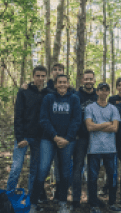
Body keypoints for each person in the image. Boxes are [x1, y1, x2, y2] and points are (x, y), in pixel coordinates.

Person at [31, 74, 82, 213]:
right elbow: (43, 119)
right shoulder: (49, 98)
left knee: (65, 172)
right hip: (48, 139)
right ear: (55, 84)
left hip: (68, 141)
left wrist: (67, 138)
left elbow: (77, 120)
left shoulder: (74, 99)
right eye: (59, 82)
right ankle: (33, 204)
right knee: (42, 169)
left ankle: (62, 203)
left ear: (68, 83)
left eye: (64, 82)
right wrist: (55, 136)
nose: (62, 85)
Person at [7, 66, 49, 194]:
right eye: (38, 76)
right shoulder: (23, 92)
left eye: (43, 76)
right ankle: (8, 196)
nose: (40, 78)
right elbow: (18, 115)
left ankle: (31, 197)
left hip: (39, 138)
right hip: (24, 136)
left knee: (34, 169)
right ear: (33, 76)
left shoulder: (48, 93)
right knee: (16, 167)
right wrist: (20, 138)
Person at [85, 82, 121, 213]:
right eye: (101, 90)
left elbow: (115, 128)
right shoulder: (90, 108)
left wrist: (98, 125)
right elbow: (89, 127)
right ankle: (93, 205)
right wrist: (107, 123)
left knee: (112, 176)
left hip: (110, 149)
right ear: (97, 92)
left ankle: (112, 203)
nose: (104, 92)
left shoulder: (113, 109)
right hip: (94, 149)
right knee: (93, 178)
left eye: (106, 90)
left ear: (108, 93)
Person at [72, 69, 99, 208]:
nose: (89, 81)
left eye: (91, 79)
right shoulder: (76, 96)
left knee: (93, 169)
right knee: (78, 167)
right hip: (80, 138)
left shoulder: (98, 95)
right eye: (86, 79)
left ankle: (92, 198)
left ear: (94, 80)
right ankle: (76, 198)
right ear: (82, 81)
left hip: (95, 138)